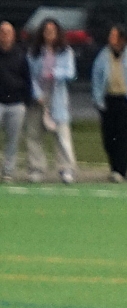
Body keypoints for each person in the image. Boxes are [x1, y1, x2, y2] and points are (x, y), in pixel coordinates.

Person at [90, 25, 127, 183]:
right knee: (109, 137)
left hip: (125, 99)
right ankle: (113, 167)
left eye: (114, 36)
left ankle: (121, 170)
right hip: (108, 99)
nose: (111, 39)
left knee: (124, 136)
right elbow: (96, 76)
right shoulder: (103, 55)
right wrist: (97, 99)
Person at [25, 19, 76, 185]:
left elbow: (70, 73)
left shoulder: (65, 51)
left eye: (52, 30)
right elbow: (30, 75)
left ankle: (66, 169)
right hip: (37, 99)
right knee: (34, 135)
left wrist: (53, 73)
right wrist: (37, 94)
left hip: (57, 98)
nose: (49, 34)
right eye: (46, 30)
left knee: (62, 136)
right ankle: (36, 169)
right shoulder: (34, 52)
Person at [0, 22, 27, 183]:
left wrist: (25, 99)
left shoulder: (20, 55)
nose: (4, 35)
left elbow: (27, 78)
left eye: (8, 32)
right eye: (2, 32)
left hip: (16, 103)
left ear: (13, 35)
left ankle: (8, 171)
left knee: (13, 140)